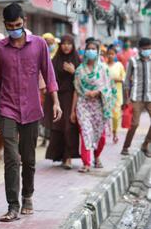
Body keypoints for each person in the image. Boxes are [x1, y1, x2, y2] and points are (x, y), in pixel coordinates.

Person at [0, 3, 62, 222]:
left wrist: (56, 102)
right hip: (7, 108)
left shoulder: (39, 45)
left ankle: (27, 195)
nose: (14, 29)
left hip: (31, 109)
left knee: (29, 159)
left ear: (25, 22)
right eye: (10, 26)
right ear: (5, 25)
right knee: (11, 158)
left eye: (18, 25)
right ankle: (13, 205)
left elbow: (49, 76)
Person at [71, 40, 117, 173]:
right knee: (85, 133)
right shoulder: (80, 70)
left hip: (99, 106)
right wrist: (72, 111)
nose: (90, 51)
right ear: (85, 52)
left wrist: (98, 92)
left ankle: (97, 157)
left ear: (97, 52)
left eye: (93, 49)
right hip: (83, 105)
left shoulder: (103, 69)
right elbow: (76, 90)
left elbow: (109, 87)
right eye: (88, 49)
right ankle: (86, 163)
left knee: (100, 136)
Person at [45, 34, 81, 169]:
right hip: (57, 98)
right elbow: (49, 77)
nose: (66, 46)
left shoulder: (77, 61)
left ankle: (68, 157)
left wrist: (74, 72)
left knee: (69, 127)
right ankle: (60, 156)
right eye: (64, 43)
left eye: (69, 43)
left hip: (72, 98)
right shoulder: (55, 60)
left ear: (73, 45)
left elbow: (83, 81)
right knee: (58, 128)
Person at [120, 37, 151, 157]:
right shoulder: (132, 61)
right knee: (135, 124)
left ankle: (145, 144)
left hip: (150, 96)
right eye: (145, 49)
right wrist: (126, 98)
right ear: (140, 49)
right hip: (136, 97)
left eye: (149, 48)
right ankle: (125, 146)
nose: (147, 51)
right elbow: (127, 80)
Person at [106, 45, 126, 144]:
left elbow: (123, 79)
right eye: (108, 54)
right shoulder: (103, 66)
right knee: (104, 115)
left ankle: (115, 133)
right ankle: (103, 134)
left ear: (115, 55)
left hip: (116, 95)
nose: (110, 56)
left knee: (115, 116)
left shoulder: (119, 65)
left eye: (112, 54)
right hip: (105, 94)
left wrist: (115, 79)